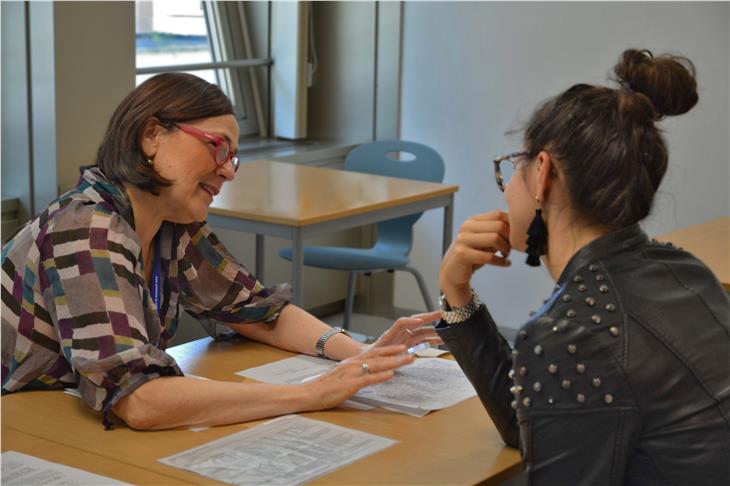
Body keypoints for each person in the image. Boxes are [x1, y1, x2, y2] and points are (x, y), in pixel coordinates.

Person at [1, 73, 442, 431]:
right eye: (218, 148)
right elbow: (139, 400)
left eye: (234, 156)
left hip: (60, 418)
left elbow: (255, 310)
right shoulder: (87, 229)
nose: (228, 171)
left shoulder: (172, 224)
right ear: (151, 135)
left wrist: (358, 355)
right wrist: (312, 393)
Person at [436, 49, 729, 484]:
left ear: (543, 172)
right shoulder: (687, 271)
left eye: (513, 167)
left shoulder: (570, 331)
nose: (507, 188)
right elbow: (535, 425)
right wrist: (456, 291)